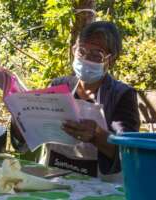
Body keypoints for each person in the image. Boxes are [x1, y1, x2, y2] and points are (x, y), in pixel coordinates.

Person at [11, 21, 140, 180]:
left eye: (96, 54)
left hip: (100, 189)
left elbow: (128, 151)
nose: (86, 59)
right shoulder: (58, 86)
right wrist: (20, 121)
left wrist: (97, 136)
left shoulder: (122, 95)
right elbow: (26, 142)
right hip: (54, 182)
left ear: (111, 60)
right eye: (81, 51)